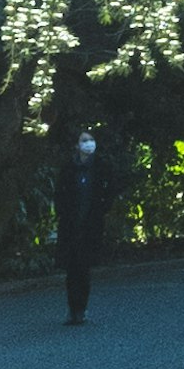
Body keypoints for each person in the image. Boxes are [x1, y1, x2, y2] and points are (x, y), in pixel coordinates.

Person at [58, 125, 108, 328]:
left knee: (84, 268)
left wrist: (102, 209)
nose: (88, 144)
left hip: (90, 223)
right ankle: (72, 309)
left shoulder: (101, 166)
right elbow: (60, 193)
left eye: (91, 139)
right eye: (84, 140)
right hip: (71, 224)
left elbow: (109, 189)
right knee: (72, 269)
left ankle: (82, 309)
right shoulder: (68, 167)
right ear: (77, 145)